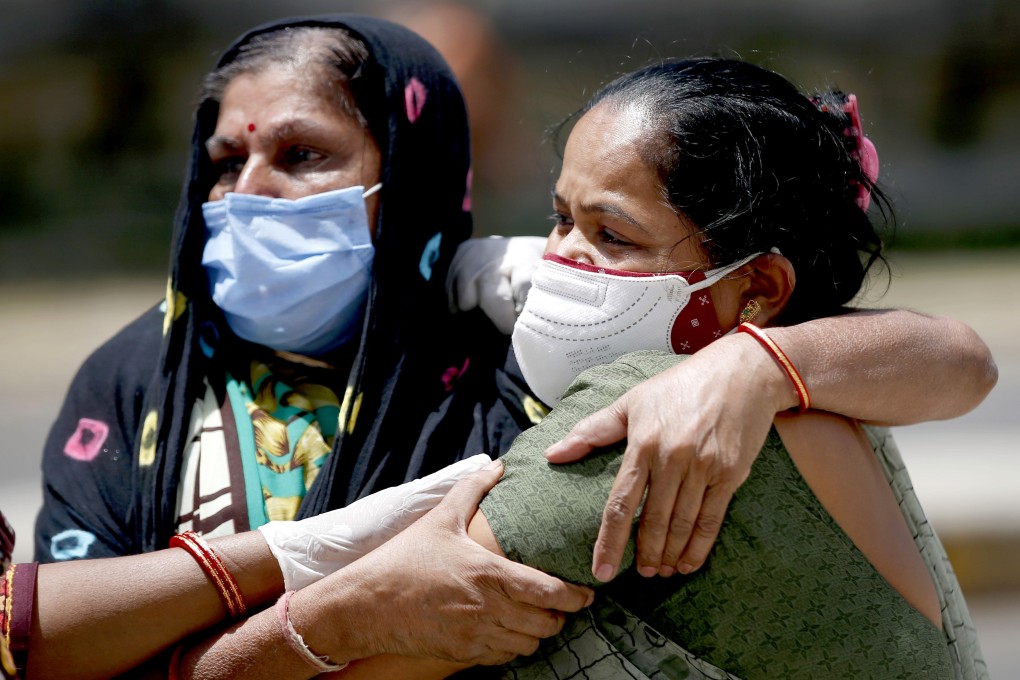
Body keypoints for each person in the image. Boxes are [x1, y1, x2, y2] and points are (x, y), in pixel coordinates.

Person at [25, 13, 993, 678]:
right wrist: (293, 556)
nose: (247, 193)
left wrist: (754, 362)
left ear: (411, 175)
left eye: (304, 154)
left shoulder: (609, 421)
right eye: (223, 160)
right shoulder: (134, 379)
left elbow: (957, 355)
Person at [331, 58, 990, 678]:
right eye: (561, 218)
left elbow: (331, 657)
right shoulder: (826, 390)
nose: (561, 261)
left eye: (612, 236)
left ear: (757, 288)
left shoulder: (644, 422)